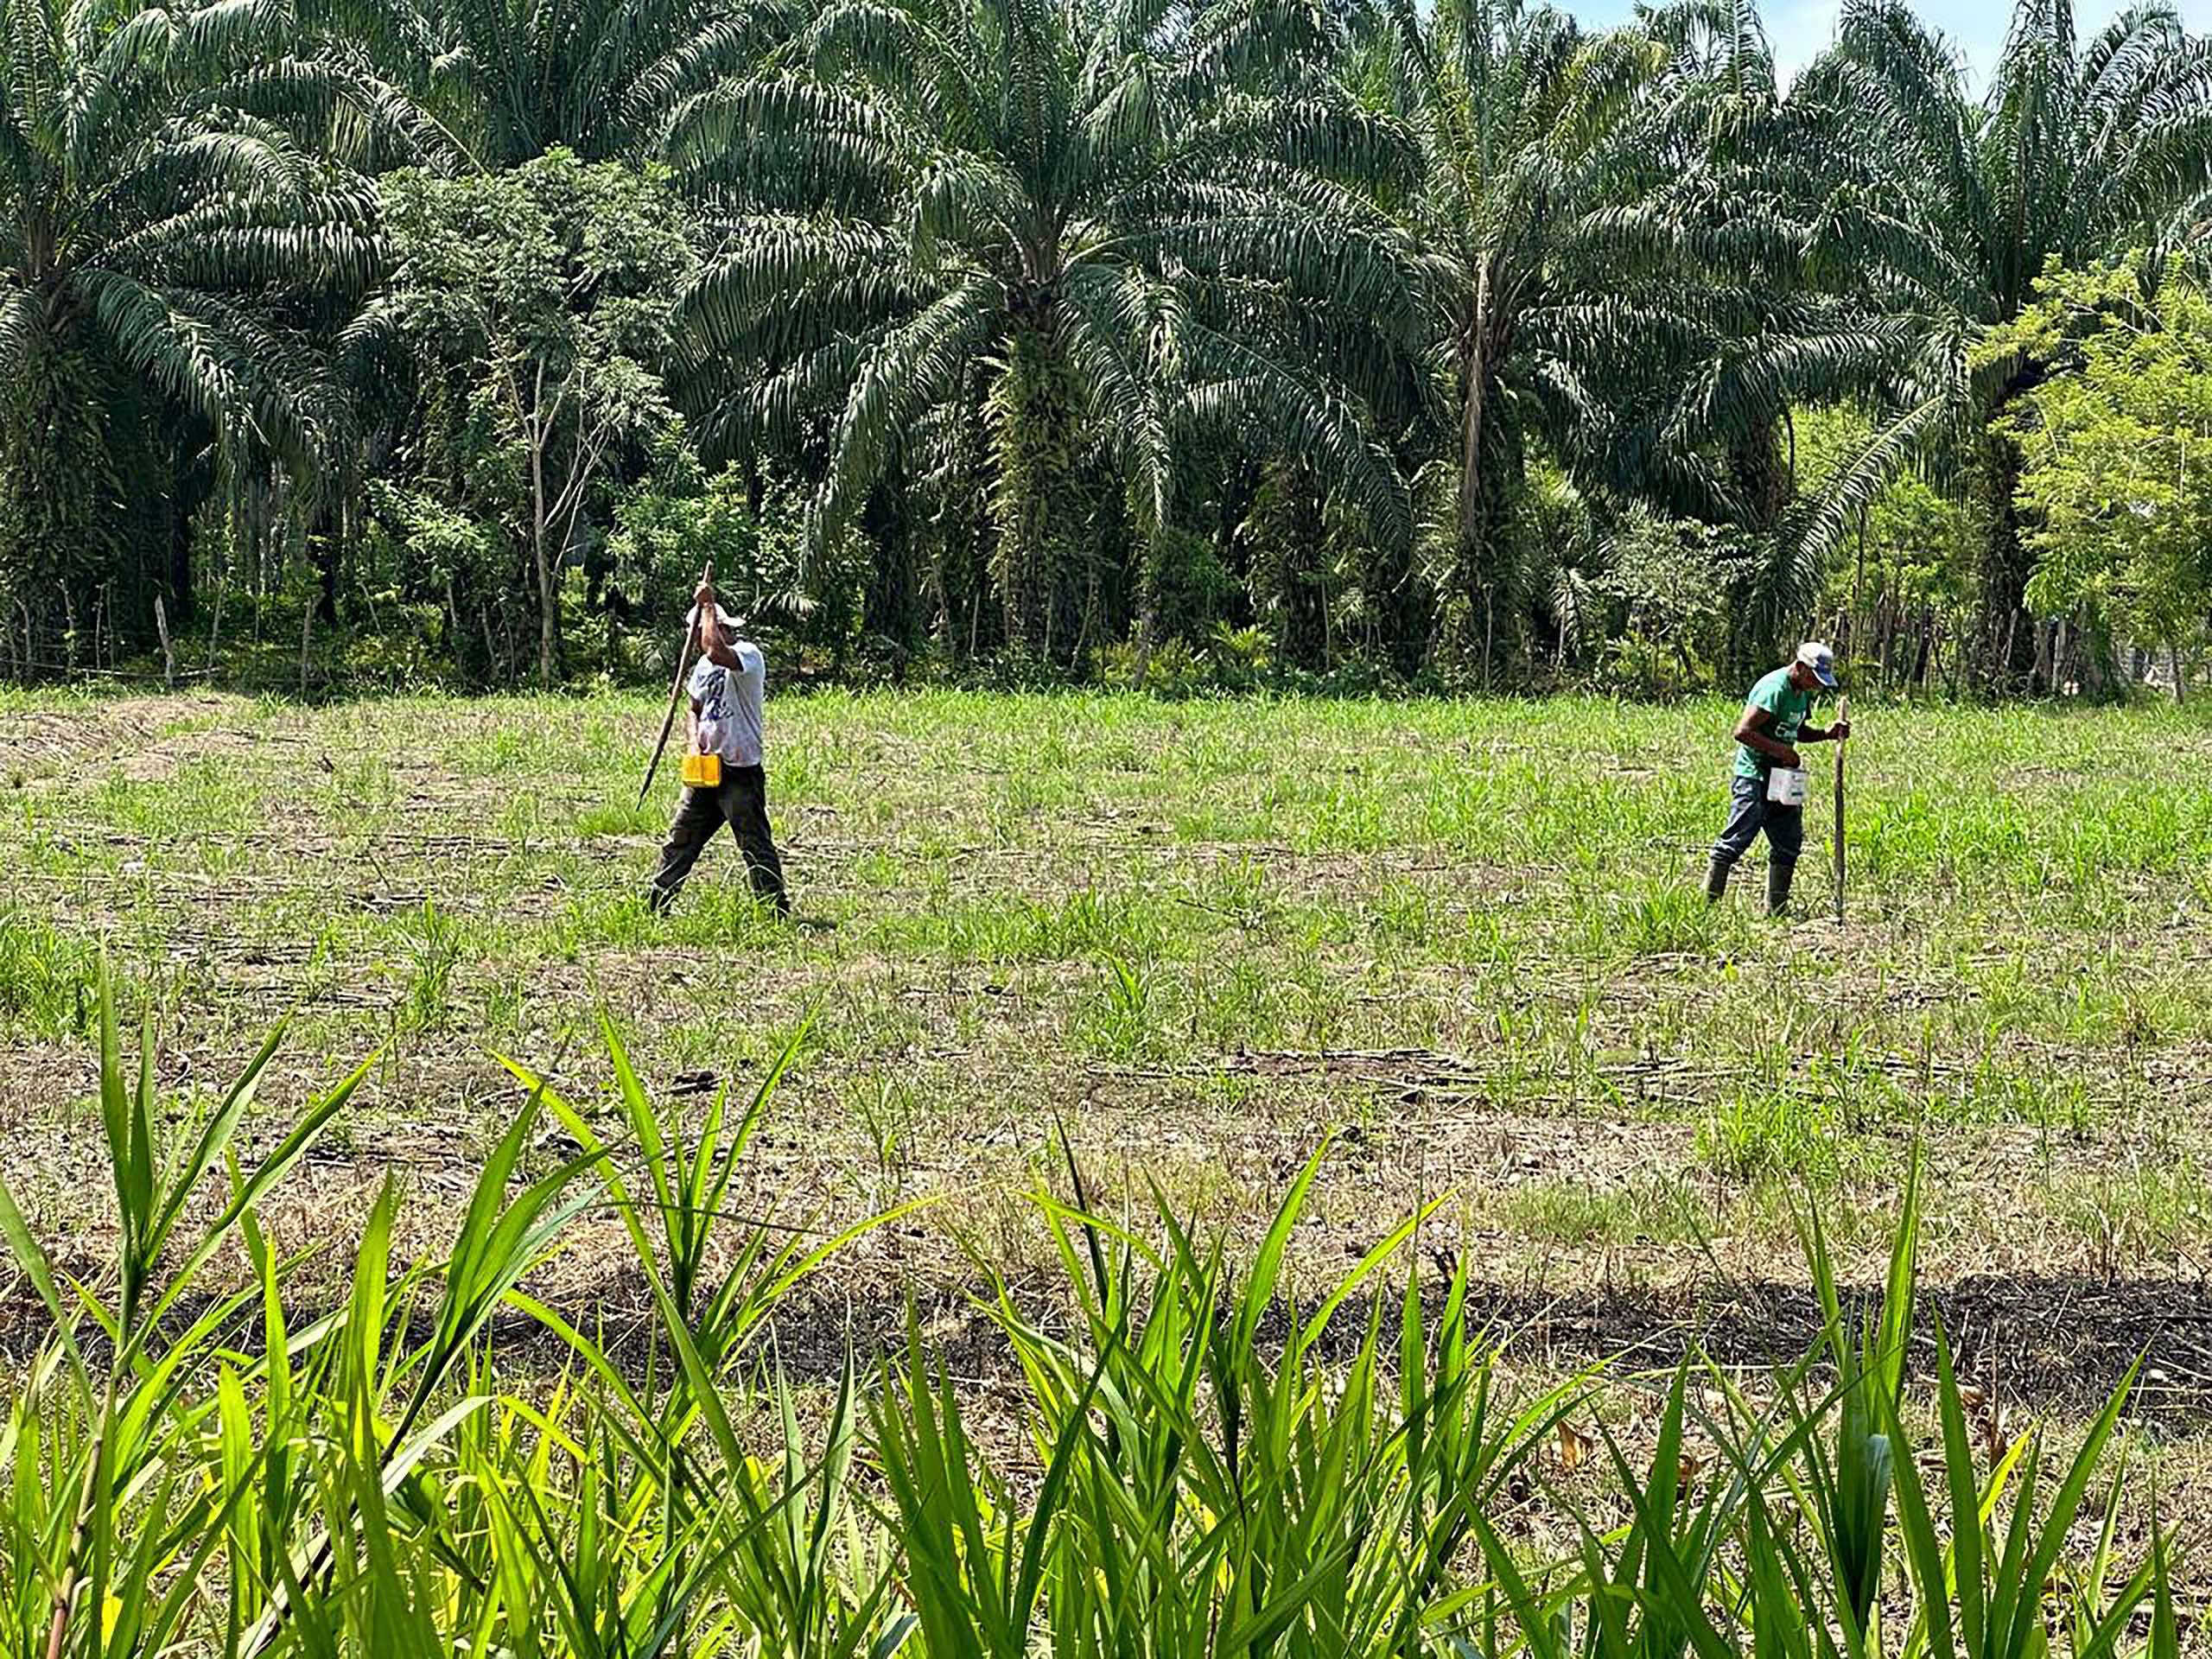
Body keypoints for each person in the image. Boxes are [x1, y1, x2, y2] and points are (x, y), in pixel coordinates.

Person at [648, 580, 790, 916]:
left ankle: (774, 910)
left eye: (702, 630)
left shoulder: (747, 656)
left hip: (740, 772)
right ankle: (656, 905)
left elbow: (715, 651)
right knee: (680, 839)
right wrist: (693, 743)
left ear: (719, 627)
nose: (698, 640)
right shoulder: (702, 667)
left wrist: (708, 606)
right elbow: (694, 709)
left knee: (754, 844)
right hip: (706, 772)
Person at [1704, 641, 1850, 916]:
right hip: (1755, 776)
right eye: (1813, 678)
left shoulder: (1801, 693)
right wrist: (1782, 751)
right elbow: (1743, 732)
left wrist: (1827, 733)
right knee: (1736, 840)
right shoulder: (1774, 688)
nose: (1815, 686)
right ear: (1799, 667)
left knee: (1788, 842)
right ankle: (1707, 909)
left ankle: (1777, 911)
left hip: (1782, 778)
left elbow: (1798, 730)